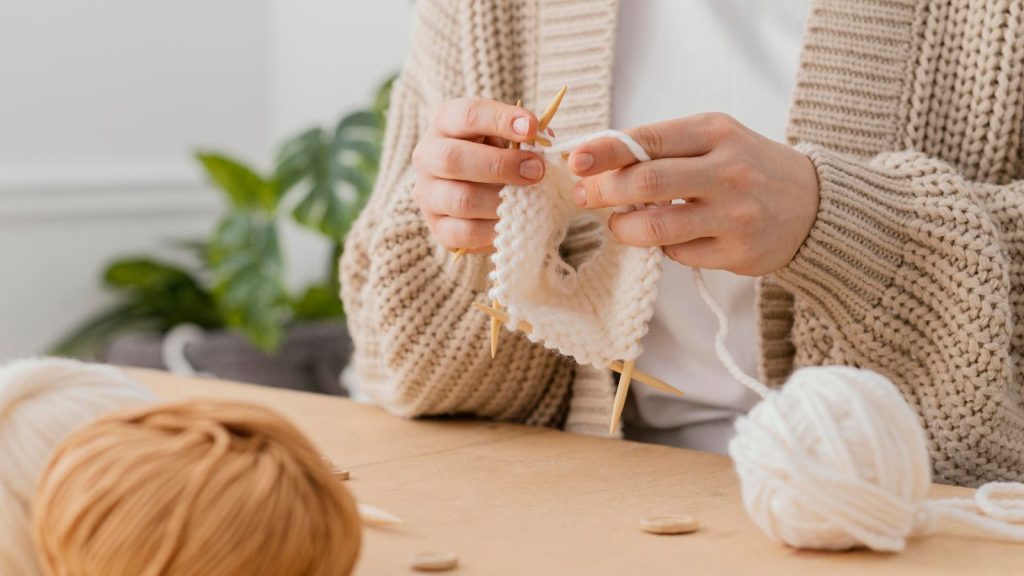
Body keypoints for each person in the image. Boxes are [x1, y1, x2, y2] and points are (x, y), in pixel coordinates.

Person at [341, 0, 1024, 487]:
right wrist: (470, 241)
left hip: (925, 514)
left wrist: (843, 225)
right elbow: (398, 368)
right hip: (595, 507)